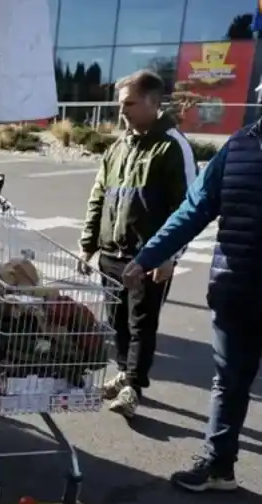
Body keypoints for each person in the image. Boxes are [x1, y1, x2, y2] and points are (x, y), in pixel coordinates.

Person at [122, 123, 259, 493]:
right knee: (229, 381)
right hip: (236, 288)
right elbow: (195, 207)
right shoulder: (239, 146)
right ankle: (218, 466)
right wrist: (151, 254)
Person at [77, 69, 197, 419]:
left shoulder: (172, 146)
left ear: (152, 103)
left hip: (147, 258)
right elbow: (98, 195)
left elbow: (186, 209)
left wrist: (168, 256)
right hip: (111, 254)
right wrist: (88, 244)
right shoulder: (119, 147)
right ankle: (122, 373)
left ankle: (133, 385)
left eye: (129, 103)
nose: (122, 111)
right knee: (117, 321)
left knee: (142, 323)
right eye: (120, 104)